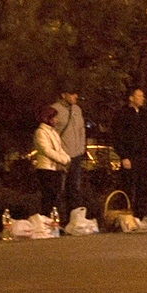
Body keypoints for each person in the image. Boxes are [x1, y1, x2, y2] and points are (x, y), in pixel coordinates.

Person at [112, 87, 147, 221]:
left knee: (144, 187)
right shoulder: (122, 114)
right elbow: (117, 137)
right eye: (139, 96)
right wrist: (123, 156)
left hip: (144, 156)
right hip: (130, 156)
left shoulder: (146, 115)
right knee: (128, 186)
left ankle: (141, 215)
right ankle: (127, 215)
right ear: (131, 98)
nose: (142, 99)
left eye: (142, 96)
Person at [51, 88, 87, 216]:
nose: (75, 96)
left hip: (76, 155)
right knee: (59, 189)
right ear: (63, 95)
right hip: (62, 156)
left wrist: (81, 148)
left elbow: (81, 129)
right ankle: (57, 218)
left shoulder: (77, 109)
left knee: (75, 189)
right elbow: (52, 132)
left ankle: (74, 218)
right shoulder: (54, 109)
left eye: (76, 93)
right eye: (72, 94)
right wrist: (57, 153)